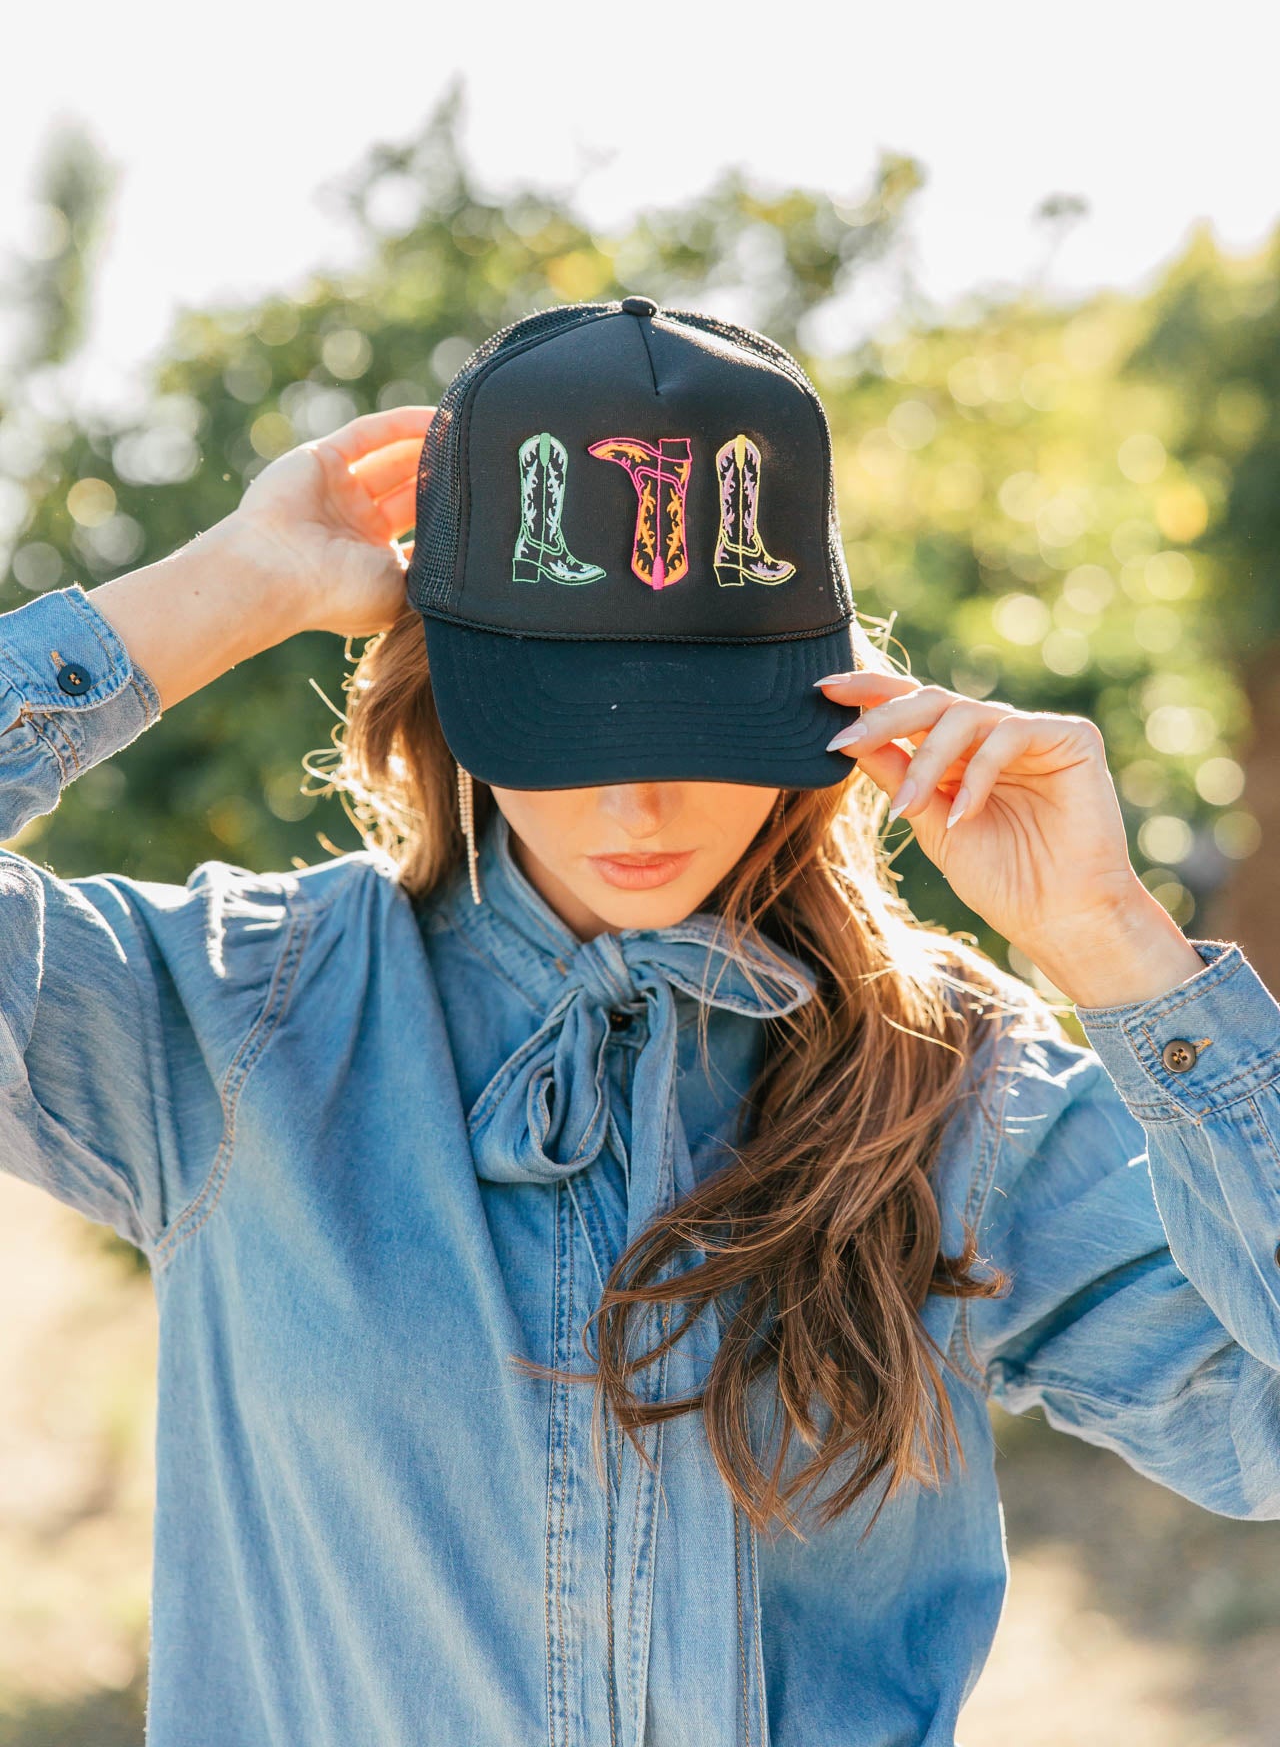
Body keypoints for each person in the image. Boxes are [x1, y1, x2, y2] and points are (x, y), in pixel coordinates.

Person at [1, 298, 1278, 1747]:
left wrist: (1115, 949)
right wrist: (224, 587)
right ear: (451, 687)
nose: (637, 803)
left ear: (828, 697)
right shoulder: (233, 1019)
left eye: (702, 723)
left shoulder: (950, 1089)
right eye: (568, 717)